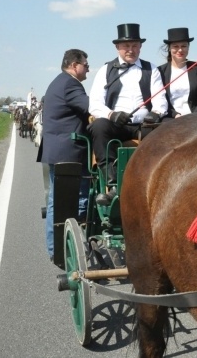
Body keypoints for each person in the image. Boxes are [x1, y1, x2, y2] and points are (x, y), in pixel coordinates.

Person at [89, 23, 167, 205]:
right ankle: (112, 183)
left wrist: (155, 114)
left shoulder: (151, 69)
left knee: (165, 132)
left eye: (134, 46)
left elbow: (160, 99)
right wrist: (111, 115)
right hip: (115, 124)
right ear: (118, 47)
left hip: (143, 124)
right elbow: (95, 104)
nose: (130, 50)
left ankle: (156, 183)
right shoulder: (105, 70)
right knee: (99, 127)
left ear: (140, 47)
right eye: (126, 46)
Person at [36, 49, 91, 263]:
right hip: (69, 152)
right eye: (86, 64)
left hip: (58, 150)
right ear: (74, 65)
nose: (88, 68)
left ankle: (57, 249)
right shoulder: (70, 84)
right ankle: (63, 251)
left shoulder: (58, 82)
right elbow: (89, 107)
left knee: (56, 202)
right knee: (71, 201)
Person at [157, 27, 197, 119]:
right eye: (176, 46)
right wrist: (175, 115)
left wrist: (193, 117)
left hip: (195, 118)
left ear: (188, 47)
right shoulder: (160, 71)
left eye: (184, 46)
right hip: (170, 119)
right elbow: (160, 100)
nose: (180, 50)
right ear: (169, 48)